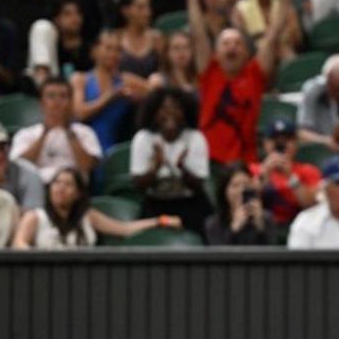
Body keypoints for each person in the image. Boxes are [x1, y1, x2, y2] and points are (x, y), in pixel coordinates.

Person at [183, 0, 292, 167]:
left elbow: (272, 35)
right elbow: (199, 35)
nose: (232, 48)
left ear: (246, 52)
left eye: (237, 43)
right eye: (225, 43)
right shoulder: (210, 70)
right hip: (208, 162)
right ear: (216, 52)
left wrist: (285, 0)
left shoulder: (254, 73)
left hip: (245, 163)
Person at [14, 167, 179, 248]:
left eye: (68, 184)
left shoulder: (88, 217)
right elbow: (19, 244)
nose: (60, 188)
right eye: (56, 183)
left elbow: (124, 229)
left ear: (78, 193)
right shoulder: (35, 217)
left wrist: (160, 220)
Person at [130, 86, 211, 236]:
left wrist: (182, 168)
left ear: (185, 112)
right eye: (164, 109)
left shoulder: (195, 138)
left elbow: (199, 186)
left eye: (176, 108)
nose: (170, 114)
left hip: (189, 203)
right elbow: (138, 185)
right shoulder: (143, 138)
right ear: (153, 113)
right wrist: (155, 167)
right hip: (155, 203)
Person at [11, 78, 102, 184]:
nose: (57, 102)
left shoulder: (85, 132)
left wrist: (69, 131)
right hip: (38, 188)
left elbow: (88, 166)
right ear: (41, 102)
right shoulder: (26, 134)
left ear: (71, 102)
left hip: (73, 189)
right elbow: (20, 166)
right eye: (51, 96)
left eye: (63, 96)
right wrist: (44, 133)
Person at [72, 31, 149, 154]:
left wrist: (140, 99)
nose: (113, 54)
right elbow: (80, 113)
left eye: (118, 50)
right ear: (94, 51)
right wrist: (111, 96)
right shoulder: (80, 79)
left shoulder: (126, 80)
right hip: (82, 147)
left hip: (112, 148)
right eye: (108, 48)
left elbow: (156, 92)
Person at [234, 0, 302, 60]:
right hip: (253, 58)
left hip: (283, 55)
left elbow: (297, 38)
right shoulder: (240, 8)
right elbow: (242, 41)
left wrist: (261, 35)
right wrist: (277, 37)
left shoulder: (285, 5)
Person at [27, 0, 91, 89]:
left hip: (82, 96)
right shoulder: (52, 45)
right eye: (67, 14)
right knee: (41, 27)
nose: (75, 18)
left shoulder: (90, 48)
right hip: (52, 91)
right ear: (56, 19)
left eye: (78, 13)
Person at [204, 162, 277, 245]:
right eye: (235, 185)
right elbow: (217, 256)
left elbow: (272, 254)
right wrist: (234, 229)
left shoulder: (266, 218)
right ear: (224, 191)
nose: (241, 190)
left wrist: (260, 226)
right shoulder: (213, 224)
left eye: (246, 184)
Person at [298, 54, 339, 150]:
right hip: (321, 147)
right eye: (334, 87)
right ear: (327, 80)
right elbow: (302, 133)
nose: (338, 93)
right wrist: (328, 142)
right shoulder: (313, 90)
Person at [114, 0, 163, 80]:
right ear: (125, 11)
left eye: (148, 7)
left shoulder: (157, 38)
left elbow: (165, 73)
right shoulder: (116, 38)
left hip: (153, 92)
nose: (147, 13)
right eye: (141, 8)